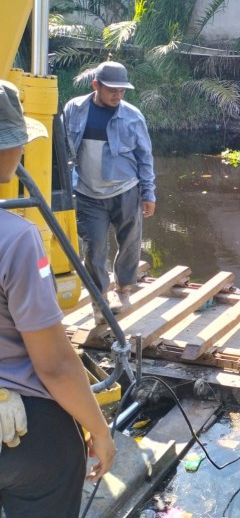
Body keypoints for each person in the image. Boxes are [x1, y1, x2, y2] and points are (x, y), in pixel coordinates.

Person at [0, 80, 115, 517]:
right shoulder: (18, 240)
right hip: (23, 433)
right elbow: (54, 364)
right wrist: (98, 429)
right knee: (54, 458)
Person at [62, 61, 156, 323]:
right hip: (87, 193)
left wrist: (148, 194)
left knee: (129, 243)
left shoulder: (133, 116)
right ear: (96, 86)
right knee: (93, 249)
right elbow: (61, 147)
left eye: (122, 91)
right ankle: (100, 296)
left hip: (125, 191)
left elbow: (145, 157)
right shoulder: (75, 109)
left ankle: (124, 288)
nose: (117, 95)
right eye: (112, 90)